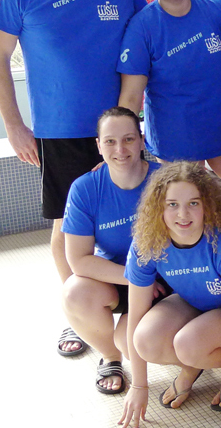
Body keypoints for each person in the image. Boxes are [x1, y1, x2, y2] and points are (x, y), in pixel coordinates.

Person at [0, 0, 147, 356]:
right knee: (66, 231)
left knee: (135, 220)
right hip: (60, 132)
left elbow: (151, 37)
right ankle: (78, 316)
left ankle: (136, 301)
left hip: (121, 131)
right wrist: (16, 127)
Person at [117, 0, 221, 243]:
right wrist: (120, 146)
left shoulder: (219, 9)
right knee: (187, 224)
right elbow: (131, 97)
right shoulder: (143, 27)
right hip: (174, 142)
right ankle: (198, 285)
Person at [119, 162, 221, 428]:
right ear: (159, 206)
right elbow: (135, 317)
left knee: (189, 344)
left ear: (206, 204)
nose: (182, 215)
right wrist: (139, 386)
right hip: (193, 302)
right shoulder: (148, 241)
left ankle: (212, 368)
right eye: (172, 204)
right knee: (143, 340)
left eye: (193, 203)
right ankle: (192, 368)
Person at [62, 107, 161, 393]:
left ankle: (184, 358)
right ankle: (110, 356)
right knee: (75, 292)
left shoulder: (165, 181)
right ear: (99, 145)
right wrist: (135, 278)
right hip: (121, 278)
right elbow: (79, 259)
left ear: (142, 141)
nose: (120, 149)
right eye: (110, 141)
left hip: (165, 282)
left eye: (129, 139)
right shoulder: (85, 189)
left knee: (136, 345)